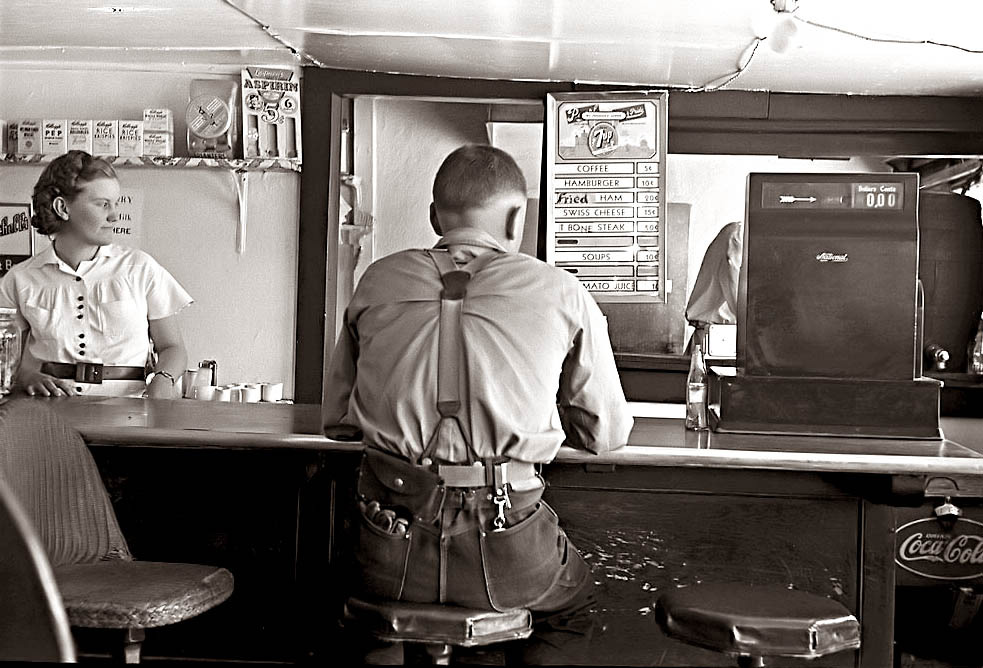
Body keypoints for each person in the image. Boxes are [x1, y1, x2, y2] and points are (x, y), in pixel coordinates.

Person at [323, 144, 634, 663]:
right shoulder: (560, 290)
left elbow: (338, 422)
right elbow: (607, 435)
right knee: (572, 609)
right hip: (508, 540)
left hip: (387, 539)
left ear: (433, 216)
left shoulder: (376, 279)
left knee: (367, 616)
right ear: (518, 216)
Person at [0, 151, 191, 399]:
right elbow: (6, 358)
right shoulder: (19, 280)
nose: (114, 215)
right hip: (49, 418)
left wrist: (163, 381)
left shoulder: (140, 269)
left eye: (115, 204)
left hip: (131, 416)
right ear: (62, 208)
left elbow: (173, 348)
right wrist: (25, 377)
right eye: (103, 204)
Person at [684, 220, 743, 352]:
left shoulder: (739, 233)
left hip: (720, 336)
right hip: (717, 338)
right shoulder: (739, 234)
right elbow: (732, 282)